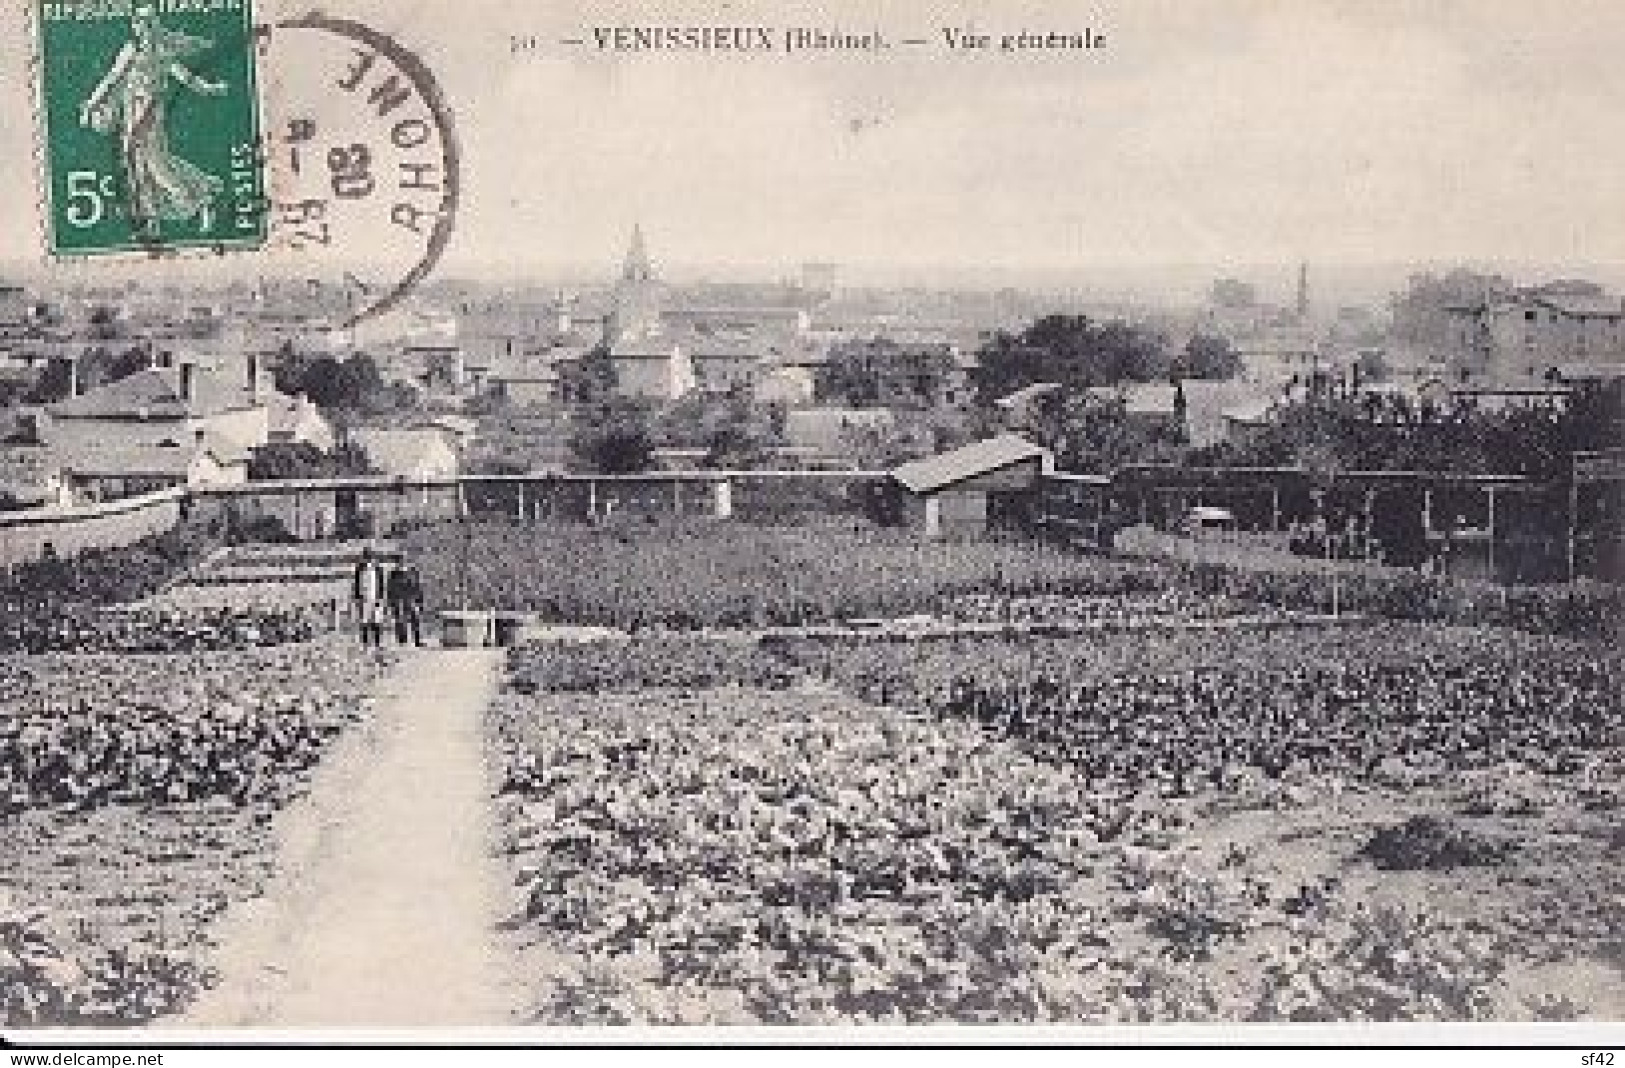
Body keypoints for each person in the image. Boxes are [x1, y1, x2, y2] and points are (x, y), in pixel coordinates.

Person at [352, 547, 389, 648]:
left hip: (375, 597)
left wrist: (380, 598)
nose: (368, 559)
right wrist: (357, 598)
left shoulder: (378, 569)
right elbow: (356, 584)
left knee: (376, 620)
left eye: (370, 557)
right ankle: (365, 643)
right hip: (364, 598)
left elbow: (381, 584)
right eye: (366, 557)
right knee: (364, 621)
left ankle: (377, 643)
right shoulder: (360, 569)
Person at [387, 559, 427, 647]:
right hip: (398, 600)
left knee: (415, 620)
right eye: (398, 563)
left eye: (402, 562)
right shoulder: (393, 575)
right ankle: (402, 640)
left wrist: (419, 601)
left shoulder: (412, 573)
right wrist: (391, 602)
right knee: (400, 620)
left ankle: (417, 640)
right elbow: (390, 589)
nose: (400, 564)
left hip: (410, 599)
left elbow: (418, 586)